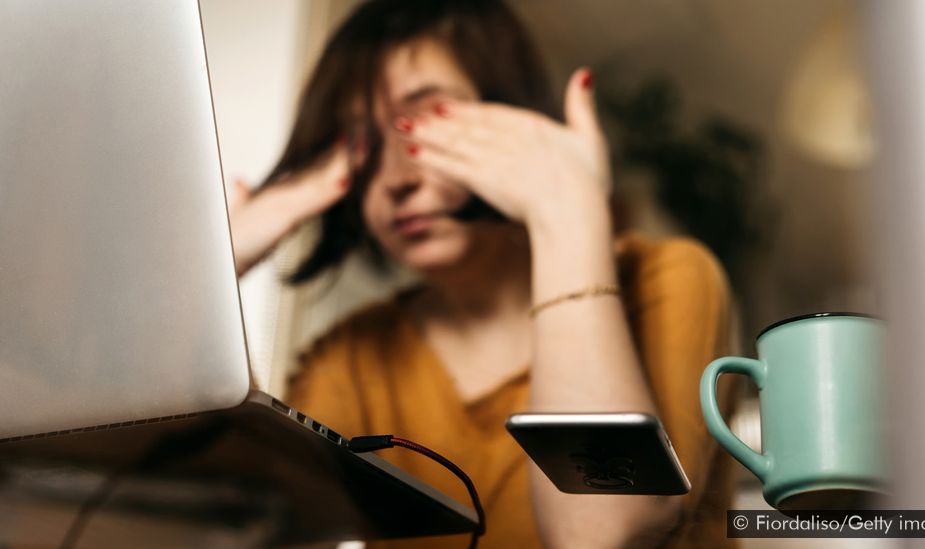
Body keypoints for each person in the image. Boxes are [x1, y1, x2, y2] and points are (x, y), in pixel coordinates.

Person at [229, 1, 739, 547]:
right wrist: (220, 267)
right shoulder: (351, 357)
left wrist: (566, 208)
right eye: (363, 144)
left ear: (512, 113)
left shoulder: (669, 278)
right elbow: (251, 522)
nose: (396, 179)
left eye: (422, 126)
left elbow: (601, 530)